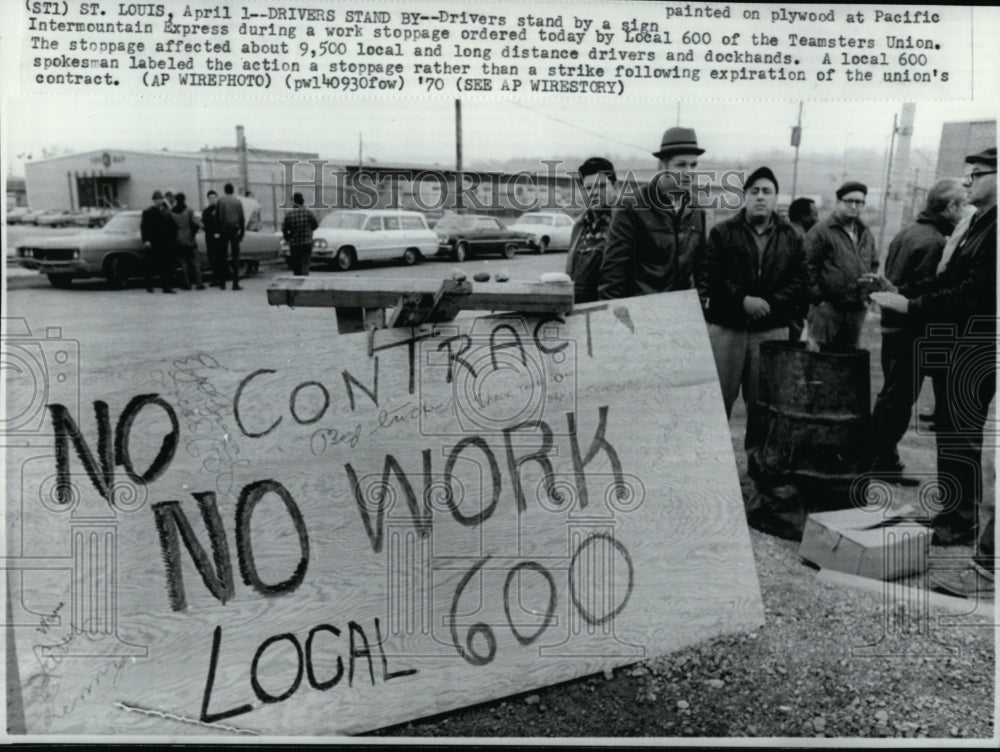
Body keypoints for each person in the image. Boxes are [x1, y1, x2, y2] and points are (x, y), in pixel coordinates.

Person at [870, 146, 996, 548]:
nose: (966, 181)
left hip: (975, 349)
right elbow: (947, 280)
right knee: (953, 434)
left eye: (975, 174)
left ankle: (960, 523)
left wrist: (911, 305)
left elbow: (974, 293)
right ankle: (952, 514)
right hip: (957, 347)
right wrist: (900, 293)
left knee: (962, 436)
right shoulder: (979, 223)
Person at [867, 178, 966, 483]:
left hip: (894, 329)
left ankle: (881, 460)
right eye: (961, 205)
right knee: (897, 402)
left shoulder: (909, 231)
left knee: (893, 398)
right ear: (950, 207)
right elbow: (924, 298)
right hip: (911, 334)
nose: (964, 212)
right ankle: (875, 461)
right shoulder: (936, 242)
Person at [697, 166, 808, 431]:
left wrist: (769, 303)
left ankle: (760, 466)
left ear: (775, 198)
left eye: (767, 191)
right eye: (754, 191)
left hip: (771, 331)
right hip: (727, 330)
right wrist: (742, 301)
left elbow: (800, 280)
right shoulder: (722, 233)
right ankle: (712, 464)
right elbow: (712, 275)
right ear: (744, 196)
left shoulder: (792, 236)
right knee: (715, 402)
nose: (760, 196)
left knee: (765, 405)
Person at [597, 126, 707, 300]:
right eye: (681, 165)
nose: (689, 172)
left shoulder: (696, 209)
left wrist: (700, 308)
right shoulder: (632, 206)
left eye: (693, 165)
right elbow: (613, 274)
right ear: (661, 167)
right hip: (641, 315)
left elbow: (702, 269)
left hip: (682, 314)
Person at [804, 181, 878, 349]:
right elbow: (807, 266)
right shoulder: (821, 231)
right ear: (838, 203)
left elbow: (873, 264)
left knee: (847, 362)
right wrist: (819, 300)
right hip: (828, 310)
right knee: (819, 359)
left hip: (856, 310)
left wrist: (867, 295)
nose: (854, 206)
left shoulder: (865, 233)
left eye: (859, 202)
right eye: (849, 201)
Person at [564, 157, 618, 303]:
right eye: (588, 188)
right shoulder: (579, 226)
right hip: (580, 312)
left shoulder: (625, 223)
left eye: (601, 186)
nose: (594, 192)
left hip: (612, 310)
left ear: (615, 186)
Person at [786, 197, 819, 341]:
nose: (817, 220)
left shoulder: (781, 233)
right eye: (815, 215)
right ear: (804, 217)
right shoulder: (802, 238)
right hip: (794, 304)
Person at [140, 190, 177, 294]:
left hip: (166, 243)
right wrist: (146, 240)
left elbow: (172, 226)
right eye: (156, 199)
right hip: (154, 242)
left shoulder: (166, 211)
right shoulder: (148, 212)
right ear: (153, 200)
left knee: (167, 266)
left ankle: (167, 287)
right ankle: (149, 285)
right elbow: (144, 227)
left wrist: (173, 239)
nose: (159, 201)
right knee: (152, 265)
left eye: (160, 199)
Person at [170, 192, 204, 290]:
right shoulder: (189, 210)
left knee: (183, 263)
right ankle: (199, 283)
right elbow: (195, 223)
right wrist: (197, 229)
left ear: (176, 200)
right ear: (184, 199)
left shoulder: (172, 212)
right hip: (190, 239)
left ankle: (187, 284)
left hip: (179, 240)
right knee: (195, 262)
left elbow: (171, 226)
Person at [217, 183, 246, 291]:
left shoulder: (220, 201)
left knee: (223, 257)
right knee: (235, 257)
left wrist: (218, 231)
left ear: (225, 190)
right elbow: (242, 218)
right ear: (233, 190)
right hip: (234, 230)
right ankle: (235, 283)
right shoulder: (237, 201)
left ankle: (222, 283)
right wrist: (242, 232)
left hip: (223, 230)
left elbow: (217, 217)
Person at [282, 192, 318, 276]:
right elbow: (315, 225)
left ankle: (297, 284)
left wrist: (288, 238)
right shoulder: (308, 213)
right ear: (302, 201)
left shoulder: (289, 214)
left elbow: (284, 229)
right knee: (305, 264)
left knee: (296, 267)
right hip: (306, 243)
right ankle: (304, 283)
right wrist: (309, 230)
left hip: (294, 244)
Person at [202, 190, 226, 288]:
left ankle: (222, 281)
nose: (212, 200)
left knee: (221, 259)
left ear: (217, 198)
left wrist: (219, 232)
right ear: (208, 199)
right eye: (210, 198)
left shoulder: (221, 210)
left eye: (214, 198)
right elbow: (205, 225)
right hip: (210, 238)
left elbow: (224, 223)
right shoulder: (206, 211)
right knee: (212, 259)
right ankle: (215, 279)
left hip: (220, 238)